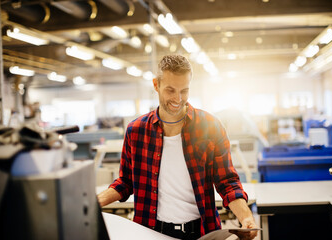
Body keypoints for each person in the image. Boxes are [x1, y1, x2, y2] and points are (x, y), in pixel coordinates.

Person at [97, 54, 258, 240]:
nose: (178, 99)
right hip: (150, 231)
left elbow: (227, 183)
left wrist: (247, 218)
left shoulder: (210, 126)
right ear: (156, 85)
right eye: (170, 90)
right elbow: (126, 182)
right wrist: (94, 204)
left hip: (202, 231)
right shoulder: (136, 131)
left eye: (184, 91)